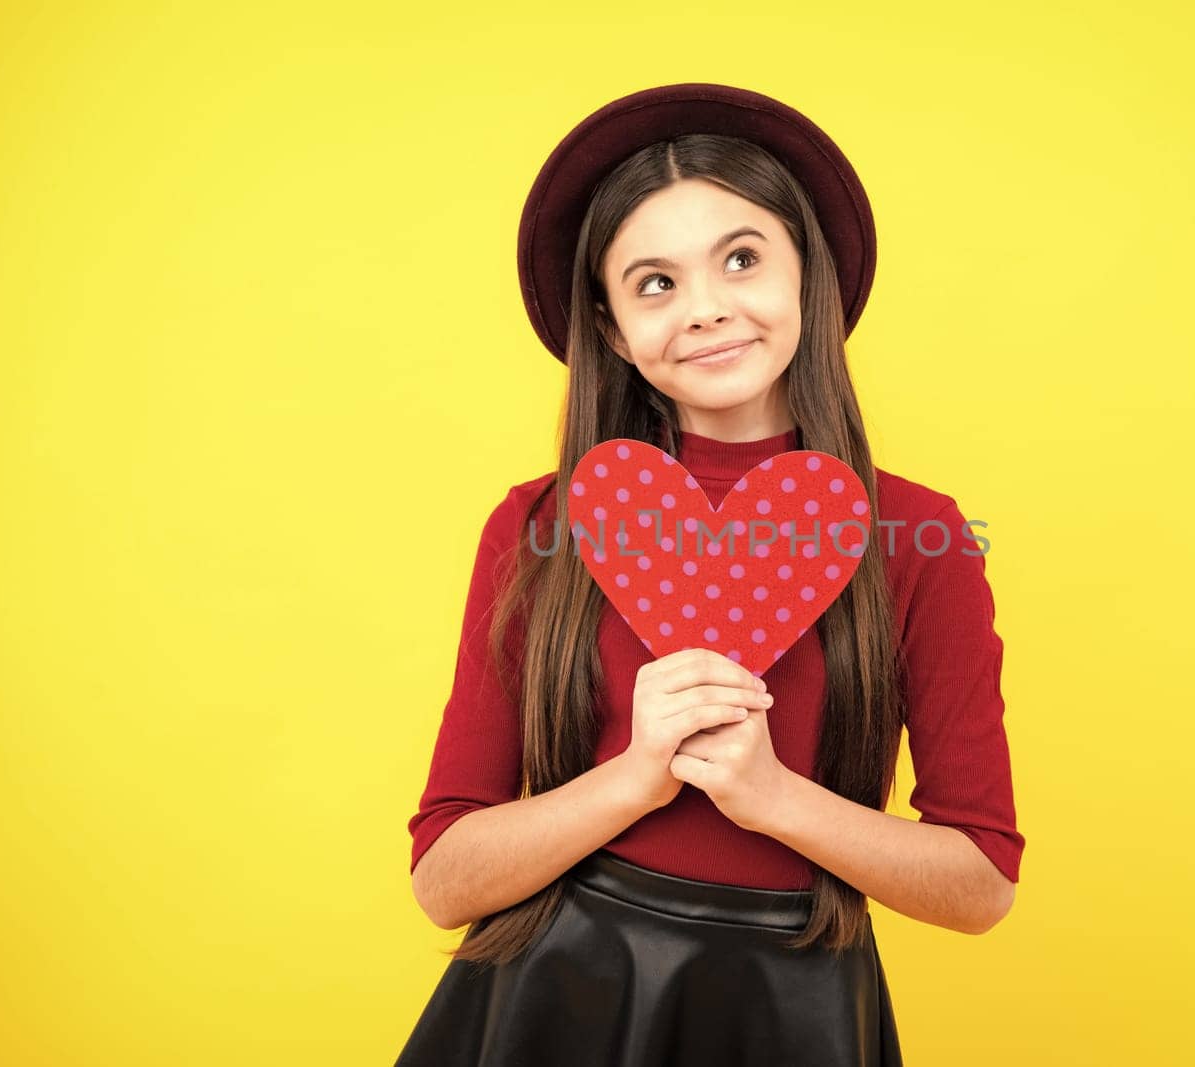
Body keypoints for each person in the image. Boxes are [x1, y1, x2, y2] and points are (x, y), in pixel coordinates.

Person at [396, 82, 1025, 1066]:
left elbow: (981, 881)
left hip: (793, 1006)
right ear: (610, 329)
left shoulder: (917, 533)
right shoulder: (538, 526)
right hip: (552, 998)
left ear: (805, 276)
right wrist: (635, 776)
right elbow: (444, 877)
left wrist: (771, 795)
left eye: (740, 258)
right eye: (655, 282)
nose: (707, 308)